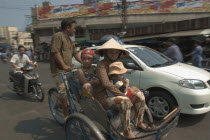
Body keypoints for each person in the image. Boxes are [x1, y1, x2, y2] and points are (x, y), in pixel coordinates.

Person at [94, 38, 148, 138]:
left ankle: (139, 122)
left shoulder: (118, 63)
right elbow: (106, 83)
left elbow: (122, 79)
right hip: (104, 97)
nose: (113, 54)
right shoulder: (101, 65)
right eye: (110, 52)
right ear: (105, 52)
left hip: (117, 93)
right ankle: (127, 131)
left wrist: (127, 89)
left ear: (119, 53)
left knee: (140, 95)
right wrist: (123, 94)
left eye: (116, 52)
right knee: (125, 101)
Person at [50, 18, 82, 117]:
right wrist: (63, 66)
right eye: (74, 28)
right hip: (59, 70)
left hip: (69, 69)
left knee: (78, 84)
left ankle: (67, 103)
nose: (75, 30)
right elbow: (55, 51)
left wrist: (85, 63)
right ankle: (66, 115)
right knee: (63, 92)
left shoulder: (70, 40)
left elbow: (76, 54)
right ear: (68, 27)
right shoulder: (58, 36)